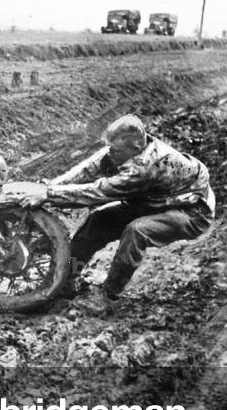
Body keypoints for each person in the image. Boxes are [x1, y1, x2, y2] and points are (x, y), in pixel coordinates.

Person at [17, 114, 214, 304]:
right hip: (155, 200)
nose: (110, 153)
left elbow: (99, 191)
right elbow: (88, 169)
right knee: (98, 220)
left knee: (137, 231)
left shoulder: (145, 169)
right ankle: (66, 277)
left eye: (115, 150)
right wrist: (50, 186)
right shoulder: (123, 149)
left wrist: (50, 195)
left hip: (191, 210)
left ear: (135, 148)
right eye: (109, 148)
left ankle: (109, 294)